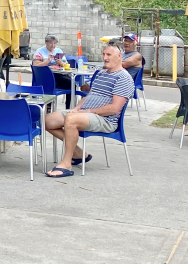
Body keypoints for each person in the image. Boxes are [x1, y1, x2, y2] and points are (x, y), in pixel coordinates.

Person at [44, 42, 133, 178]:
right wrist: (76, 108)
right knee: (47, 121)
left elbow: (114, 108)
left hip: (106, 120)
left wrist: (86, 112)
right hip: (85, 113)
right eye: (103, 54)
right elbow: (90, 95)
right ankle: (79, 153)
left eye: (109, 54)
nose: (105, 58)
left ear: (119, 56)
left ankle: (66, 164)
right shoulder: (102, 73)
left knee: (71, 120)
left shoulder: (123, 78)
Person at [33, 33, 74, 106]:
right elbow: (35, 66)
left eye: (55, 43)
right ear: (46, 43)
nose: (53, 45)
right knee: (50, 85)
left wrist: (60, 62)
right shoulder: (40, 51)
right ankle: (48, 106)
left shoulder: (58, 51)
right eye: (51, 43)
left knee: (72, 84)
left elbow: (66, 65)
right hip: (45, 76)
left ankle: (68, 107)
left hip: (58, 75)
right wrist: (47, 61)